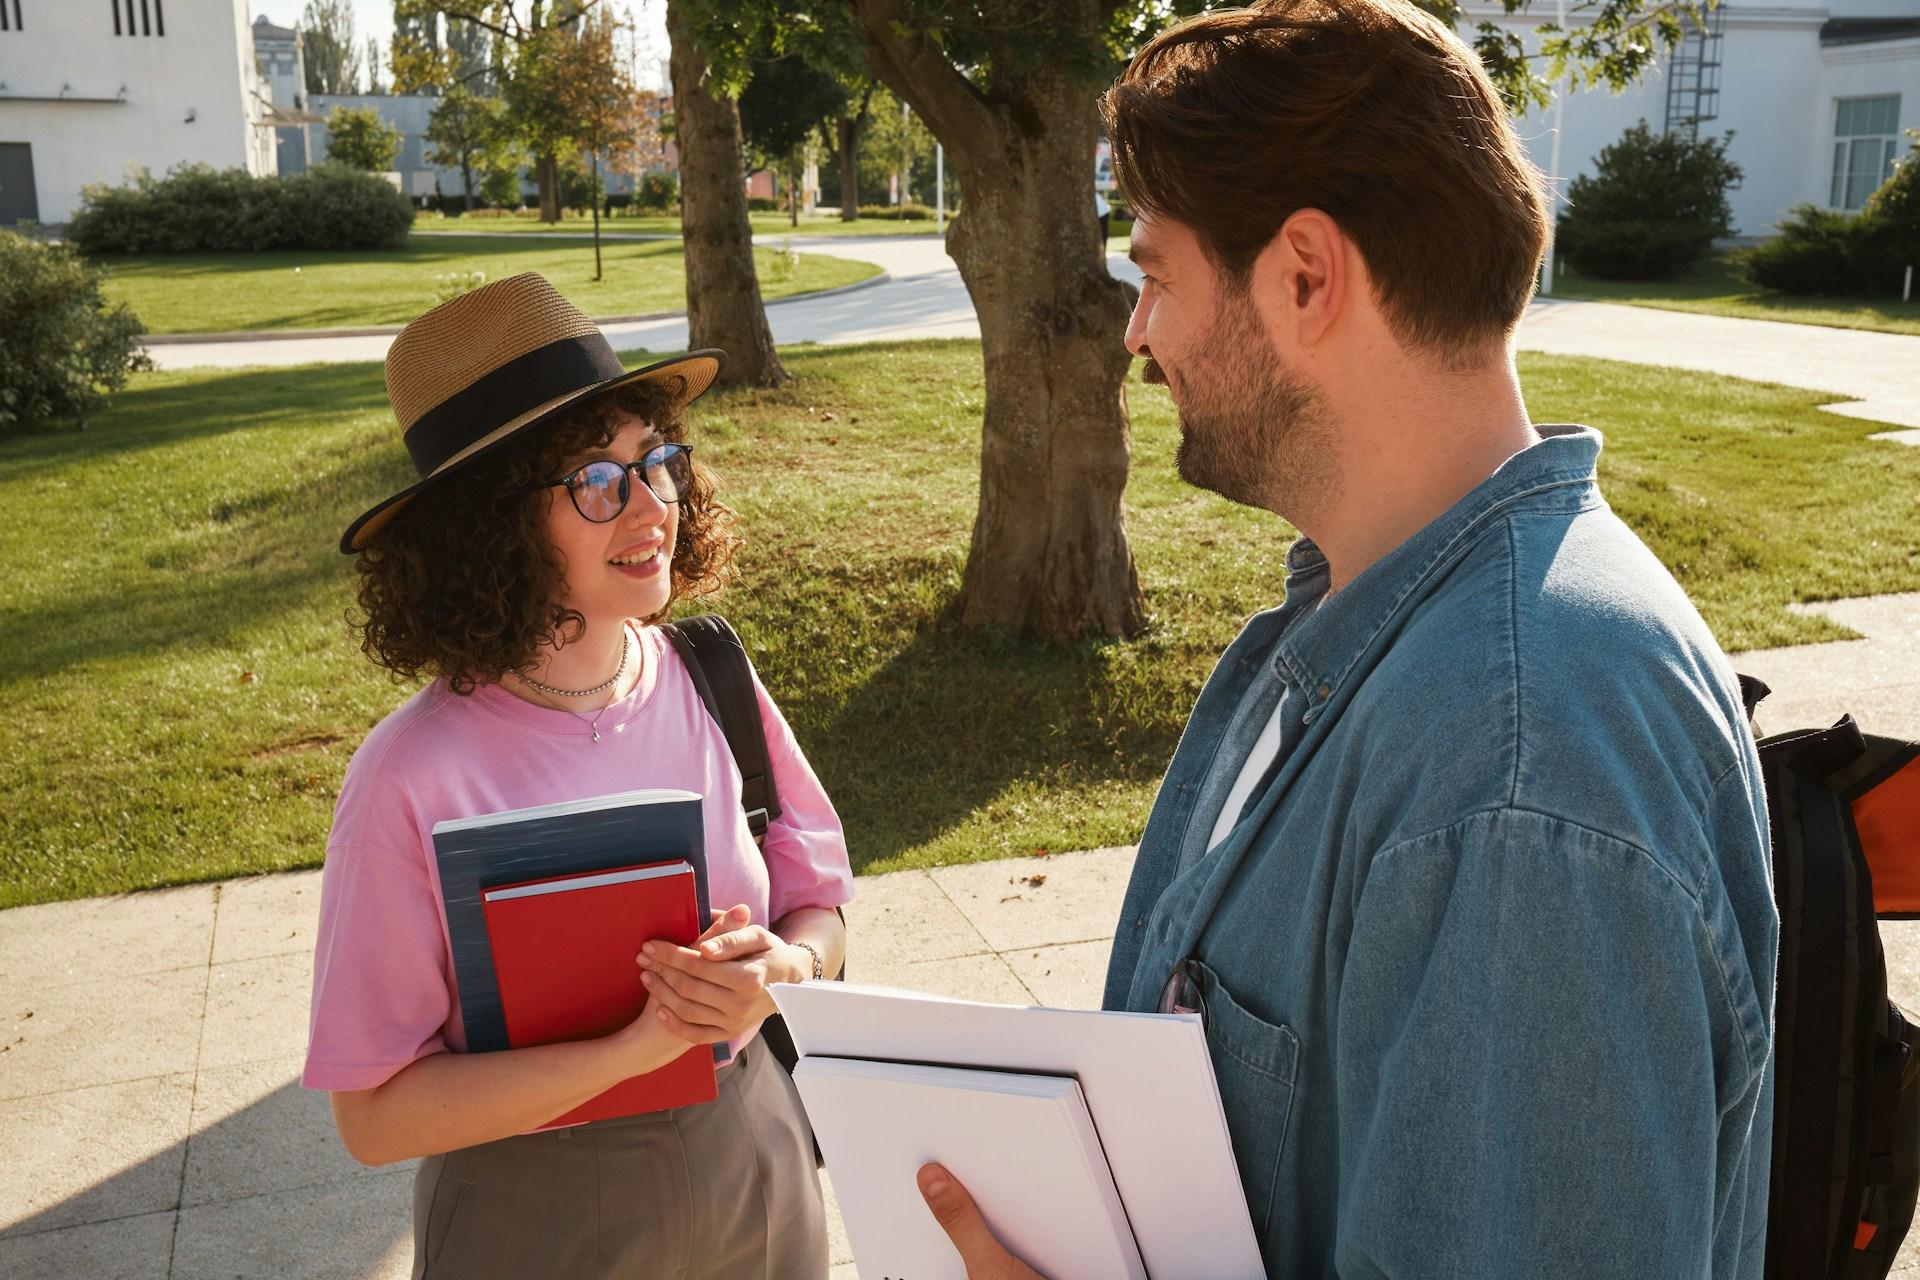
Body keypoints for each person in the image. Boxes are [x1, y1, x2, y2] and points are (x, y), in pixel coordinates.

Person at [918, 1, 1776, 1277]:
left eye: (1156, 273)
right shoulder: (1377, 622)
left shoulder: (1514, 771)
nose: (1137, 332)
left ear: (1307, 275)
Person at [302, 272, 852, 1279]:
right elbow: (373, 1115)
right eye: (598, 480)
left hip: (756, 1166)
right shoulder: (408, 775)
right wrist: (630, 1052)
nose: (652, 508)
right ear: (490, 526)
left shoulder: (712, 675)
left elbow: (822, 906)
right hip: (531, 1216)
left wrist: (785, 972)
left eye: (659, 462)